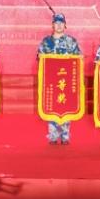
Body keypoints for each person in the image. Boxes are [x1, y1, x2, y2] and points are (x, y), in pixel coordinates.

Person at [37, 12, 81, 145]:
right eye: (56, 23)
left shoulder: (71, 41)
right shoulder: (46, 42)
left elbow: (78, 58)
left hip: (66, 80)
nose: (59, 25)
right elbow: (40, 58)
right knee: (52, 106)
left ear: (65, 25)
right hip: (51, 80)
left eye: (61, 23)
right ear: (52, 25)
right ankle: (53, 135)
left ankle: (65, 135)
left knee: (66, 106)